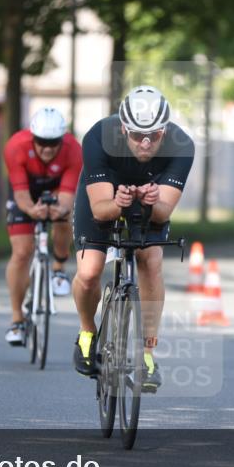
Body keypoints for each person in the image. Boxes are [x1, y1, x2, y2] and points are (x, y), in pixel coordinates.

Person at [71, 85, 194, 392]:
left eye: (154, 134)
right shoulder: (98, 137)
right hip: (104, 197)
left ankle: (147, 355)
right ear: (124, 128)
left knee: (150, 260)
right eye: (138, 135)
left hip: (149, 201)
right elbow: (100, 211)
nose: (146, 142)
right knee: (89, 273)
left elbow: (163, 213)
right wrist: (119, 203)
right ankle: (87, 333)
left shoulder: (182, 146)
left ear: (164, 130)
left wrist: (150, 203)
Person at [3, 107, 83, 345]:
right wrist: (30, 210)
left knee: (63, 216)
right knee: (21, 253)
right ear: (32, 137)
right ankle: (17, 319)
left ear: (62, 139)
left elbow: (68, 196)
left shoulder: (73, 150)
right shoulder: (16, 146)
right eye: (41, 142)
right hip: (26, 193)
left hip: (58, 189)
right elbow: (20, 193)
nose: (47, 148)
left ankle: (58, 267)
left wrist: (60, 209)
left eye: (53, 143)